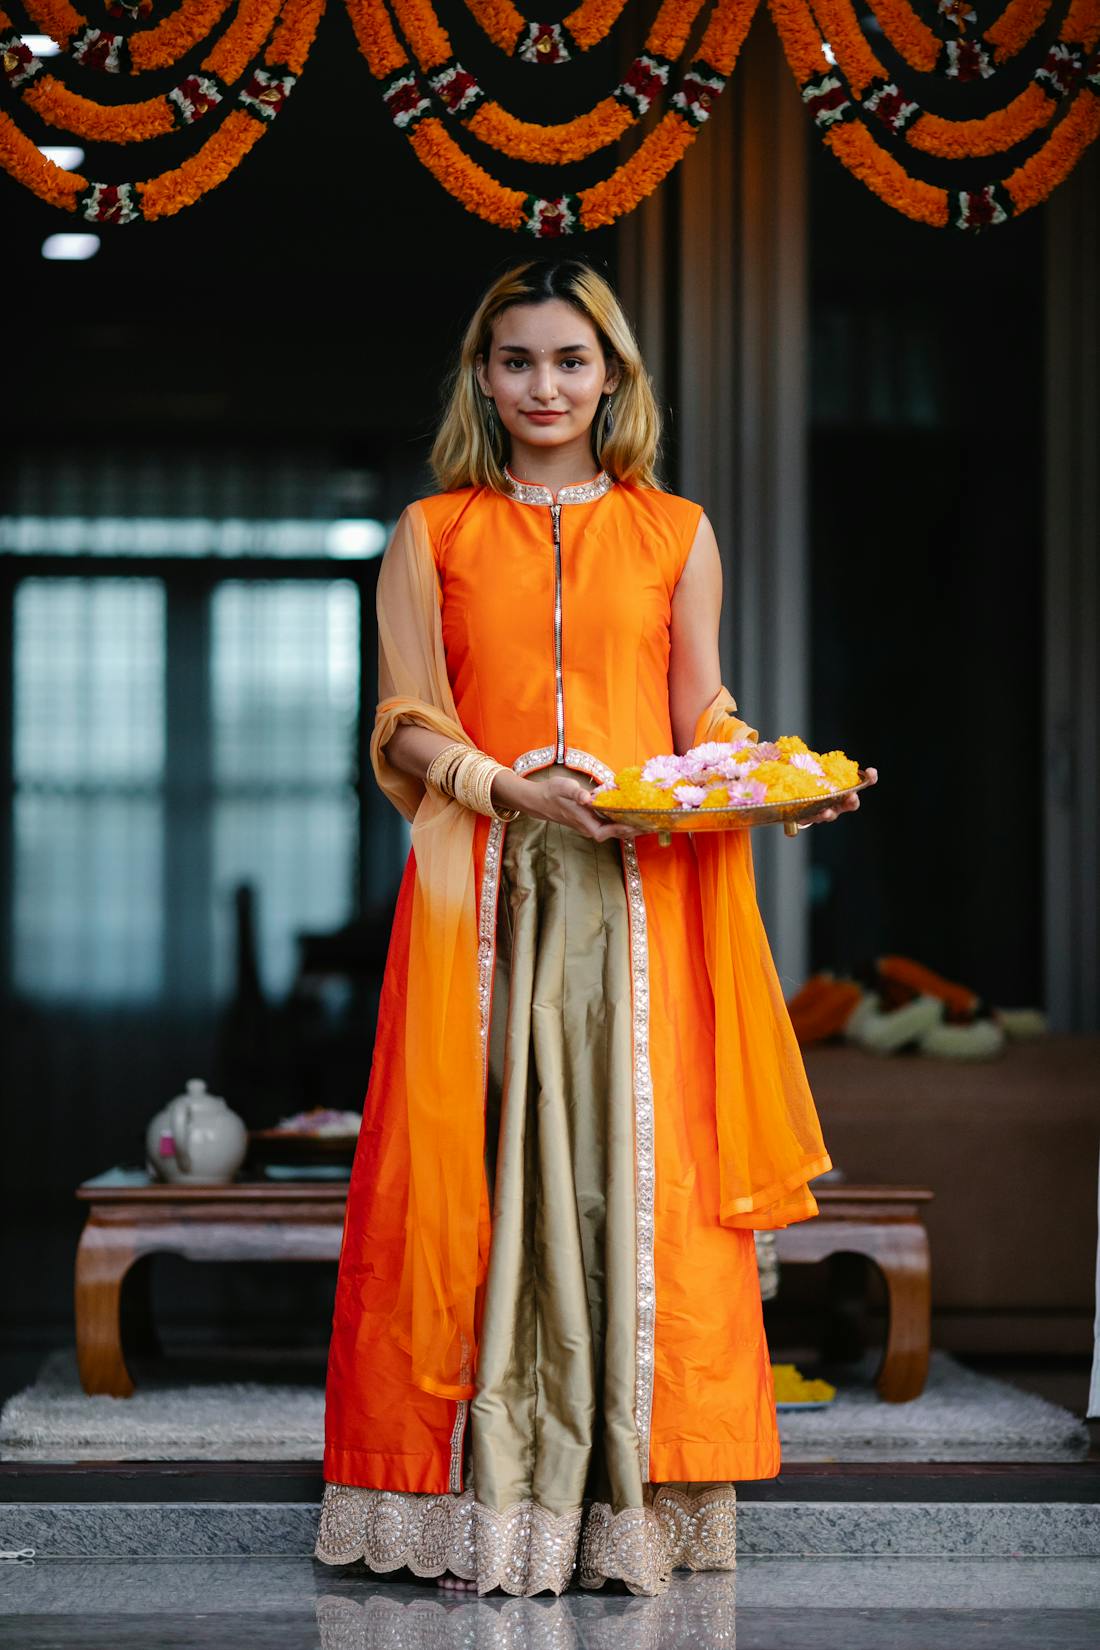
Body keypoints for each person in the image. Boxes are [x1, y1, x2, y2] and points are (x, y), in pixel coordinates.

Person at [314, 258, 875, 1598]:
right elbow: (404, 722)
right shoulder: (431, 532)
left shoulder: (676, 531)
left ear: (613, 373)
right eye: (517, 361)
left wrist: (767, 782)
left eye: (571, 360)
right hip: (488, 906)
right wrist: (509, 785)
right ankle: (478, 1502)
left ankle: (633, 1494)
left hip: (642, 906)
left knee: (641, 1186)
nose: (545, 385)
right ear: (483, 376)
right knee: (481, 1185)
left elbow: (699, 721)